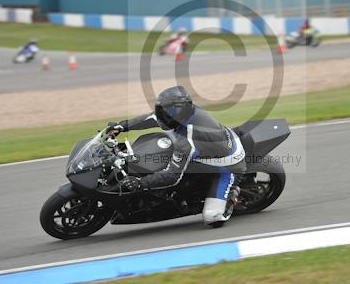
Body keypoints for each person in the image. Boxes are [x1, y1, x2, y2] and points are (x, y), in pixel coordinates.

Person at [105, 86, 245, 226]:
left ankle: (232, 193)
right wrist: (121, 126)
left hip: (228, 165)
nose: (165, 115)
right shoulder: (184, 114)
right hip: (211, 147)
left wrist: (141, 183)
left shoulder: (188, 139)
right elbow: (151, 118)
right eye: (164, 111)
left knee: (212, 218)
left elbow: (172, 177)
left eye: (169, 112)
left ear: (181, 111)